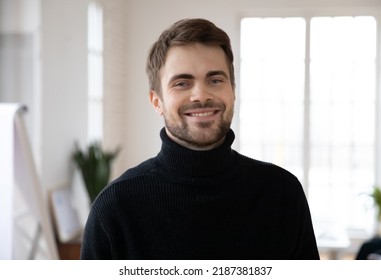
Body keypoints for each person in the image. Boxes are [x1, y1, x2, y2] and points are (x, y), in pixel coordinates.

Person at [80, 18, 320, 260]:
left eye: (215, 80)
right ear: (156, 101)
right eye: (182, 83)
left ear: (233, 92)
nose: (201, 95)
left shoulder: (282, 194)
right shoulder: (115, 208)